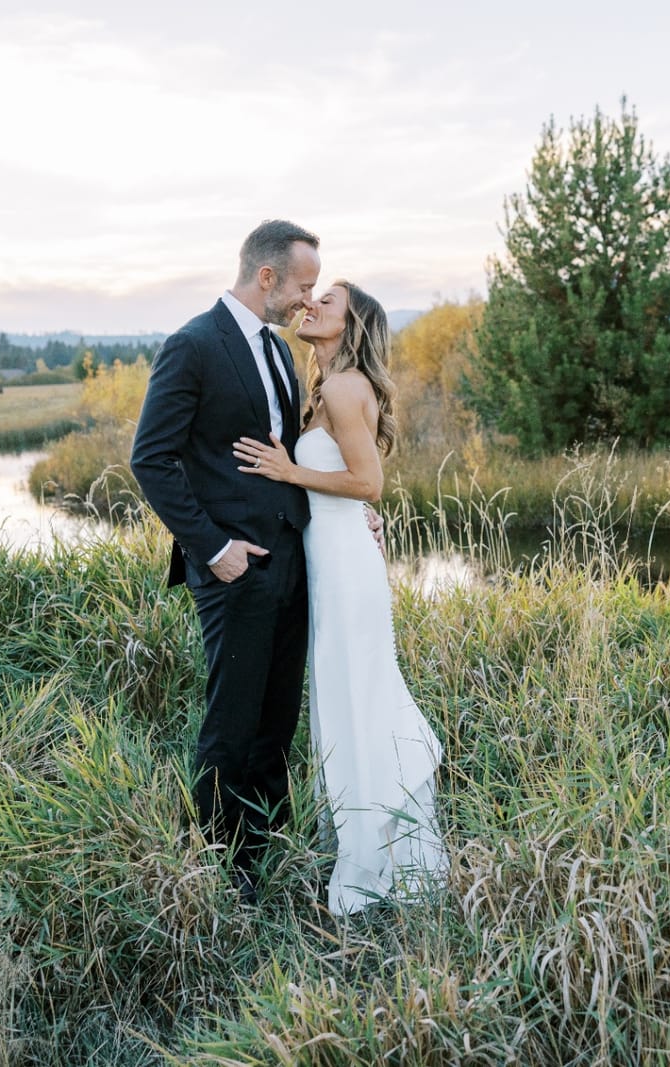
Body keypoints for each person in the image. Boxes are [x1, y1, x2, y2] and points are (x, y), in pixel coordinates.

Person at [233, 280, 447, 916]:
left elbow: (368, 483)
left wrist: (288, 470)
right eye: (314, 295)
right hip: (328, 561)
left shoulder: (347, 385)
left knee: (362, 693)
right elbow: (346, 489)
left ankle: (379, 854)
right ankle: (364, 843)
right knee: (342, 696)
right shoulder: (323, 387)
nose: (313, 304)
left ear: (350, 323)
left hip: (349, 571)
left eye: (328, 301)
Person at [130, 220, 321, 904]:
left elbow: (287, 457)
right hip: (233, 569)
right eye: (303, 285)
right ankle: (218, 868)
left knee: (276, 719)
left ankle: (267, 849)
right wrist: (212, 548)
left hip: (293, 561)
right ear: (266, 277)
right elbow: (150, 457)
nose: (308, 299)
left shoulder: (278, 351)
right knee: (231, 724)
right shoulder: (194, 345)